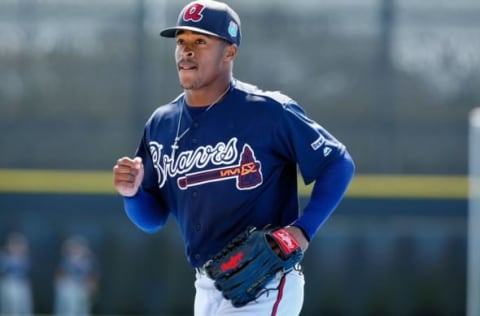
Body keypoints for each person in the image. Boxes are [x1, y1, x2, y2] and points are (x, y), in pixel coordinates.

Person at [113, 1, 355, 315]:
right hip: (206, 287)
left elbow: (338, 163)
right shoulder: (162, 124)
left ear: (229, 51)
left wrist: (303, 230)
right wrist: (132, 195)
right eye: (182, 42)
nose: (187, 51)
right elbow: (152, 219)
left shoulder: (268, 110)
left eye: (200, 41)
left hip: (266, 283)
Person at [53, 235, 99, 316]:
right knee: (69, 309)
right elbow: (59, 274)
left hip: (83, 286)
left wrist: (92, 286)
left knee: (83, 309)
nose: (77, 249)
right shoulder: (66, 260)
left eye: (79, 247)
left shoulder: (88, 261)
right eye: (74, 247)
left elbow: (92, 275)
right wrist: (60, 285)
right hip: (70, 286)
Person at [0, 232, 33, 316]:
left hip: (22, 282)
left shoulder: (24, 258)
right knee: (11, 308)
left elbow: (27, 270)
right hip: (10, 283)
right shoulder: (4, 257)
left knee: (25, 307)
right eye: (16, 244)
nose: (19, 247)